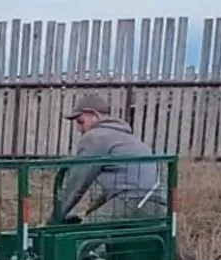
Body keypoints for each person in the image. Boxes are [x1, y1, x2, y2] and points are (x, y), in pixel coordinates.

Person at [53, 93, 167, 223]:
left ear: (94, 115)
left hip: (132, 202)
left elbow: (77, 183)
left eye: (81, 122)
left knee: (79, 238)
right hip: (160, 205)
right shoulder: (128, 139)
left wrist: (54, 218)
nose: (79, 129)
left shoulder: (95, 137)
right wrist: (90, 211)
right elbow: (125, 186)